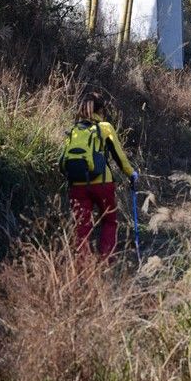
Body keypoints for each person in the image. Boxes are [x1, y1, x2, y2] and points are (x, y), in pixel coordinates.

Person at [60, 91, 138, 260]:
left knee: (82, 227)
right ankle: (105, 261)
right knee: (109, 221)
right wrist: (131, 174)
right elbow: (119, 156)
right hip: (103, 184)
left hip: (77, 185)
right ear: (101, 110)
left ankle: (83, 267)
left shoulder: (73, 130)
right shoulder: (105, 128)